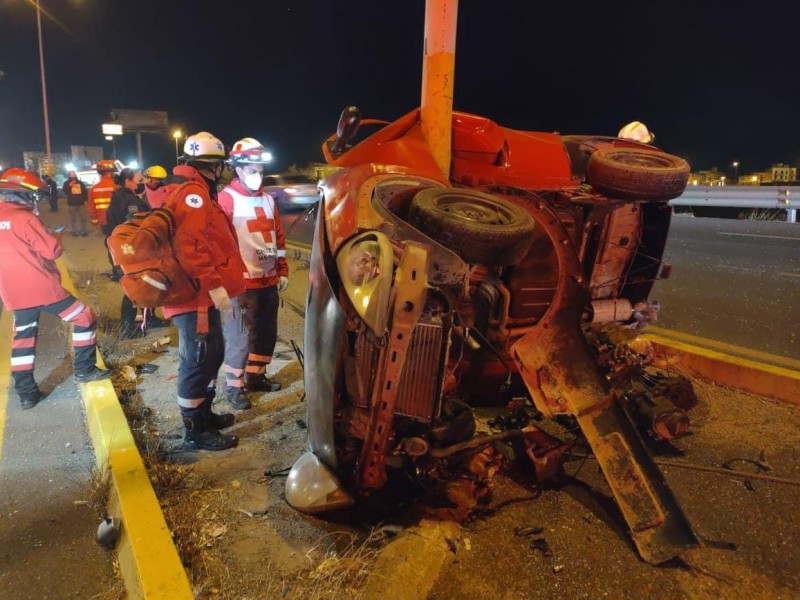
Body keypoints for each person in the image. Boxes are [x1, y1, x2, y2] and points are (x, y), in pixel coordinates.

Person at [160, 131, 247, 451]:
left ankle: (204, 414)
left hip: (201, 295)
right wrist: (215, 288)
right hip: (196, 296)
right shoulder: (193, 194)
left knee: (212, 354)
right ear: (212, 166)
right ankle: (195, 430)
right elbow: (191, 249)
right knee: (198, 360)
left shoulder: (195, 191)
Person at [0, 169, 110, 409]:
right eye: (34, 197)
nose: (35, 202)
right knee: (84, 316)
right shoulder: (26, 219)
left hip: (12, 292)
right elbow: (51, 251)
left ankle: (27, 394)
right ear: (24, 196)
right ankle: (85, 370)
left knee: (23, 340)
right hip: (42, 288)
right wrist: (56, 239)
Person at [218, 137, 288, 410]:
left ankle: (256, 376)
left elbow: (277, 239)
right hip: (241, 283)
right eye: (252, 170)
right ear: (238, 169)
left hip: (268, 280)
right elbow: (220, 243)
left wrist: (281, 271)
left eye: (260, 169)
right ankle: (234, 386)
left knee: (265, 332)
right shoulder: (226, 199)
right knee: (239, 335)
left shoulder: (269, 200)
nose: (257, 175)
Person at [106, 168, 152, 339]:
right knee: (134, 287)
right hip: (130, 249)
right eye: (139, 180)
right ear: (128, 182)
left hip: (121, 247)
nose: (142, 183)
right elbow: (136, 225)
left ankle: (149, 318)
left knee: (143, 284)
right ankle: (127, 326)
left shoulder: (118, 197)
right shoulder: (130, 201)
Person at [62, 171, 89, 236]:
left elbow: (85, 192)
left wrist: (85, 199)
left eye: (74, 175)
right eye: (71, 175)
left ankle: (84, 231)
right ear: (69, 176)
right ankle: (75, 231)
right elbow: (65, 191)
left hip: (81, 203)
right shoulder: (66, 183)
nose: (73, 176)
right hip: (72, 204)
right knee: (73, 219)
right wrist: (69, 186)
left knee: (83, 218)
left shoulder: (80, 183)